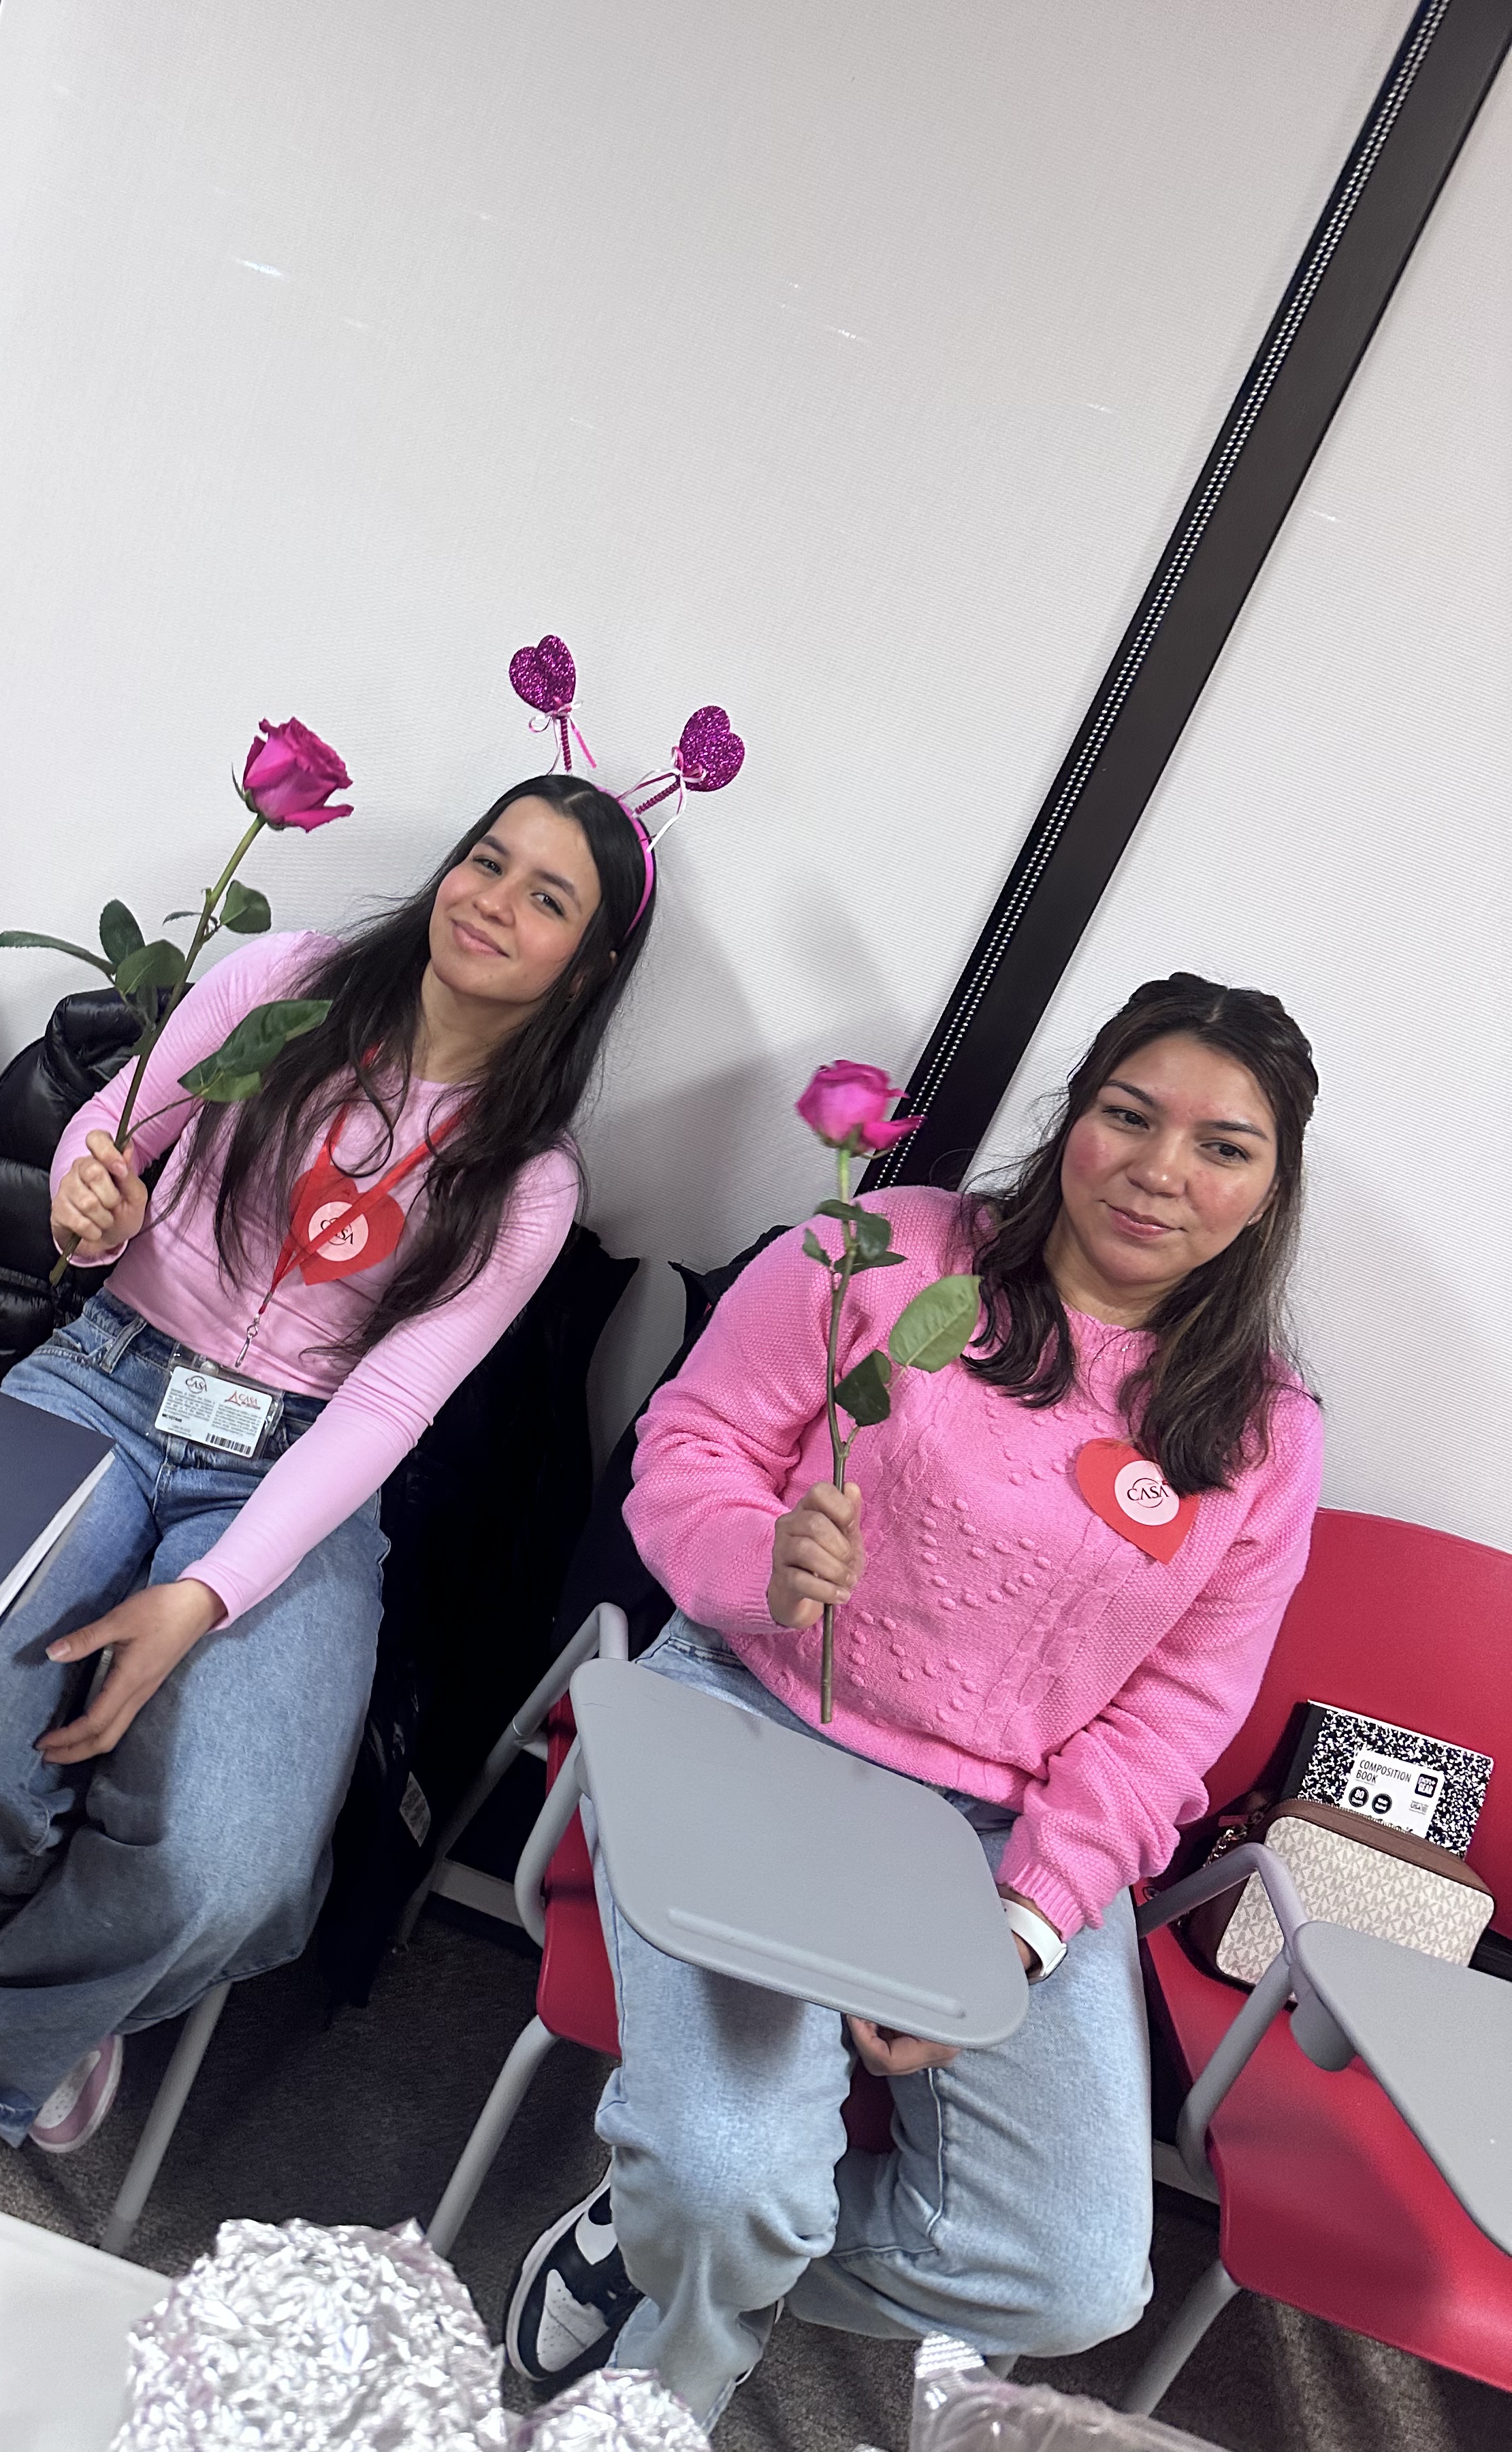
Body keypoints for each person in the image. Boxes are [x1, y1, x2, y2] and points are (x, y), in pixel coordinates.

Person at [507, 975, 1323, 2424]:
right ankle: (663, 2375)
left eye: (1222, 1147)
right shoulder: (884, 1255)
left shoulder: (1263, 1435)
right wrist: (762, 1558)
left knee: (1072, 2278)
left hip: (1001, 1829)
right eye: (1130, 1115)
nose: (1160, 1171)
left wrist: (1020, 1927)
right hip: (755, 1716)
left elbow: (1174, 1719)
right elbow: (691, 1448)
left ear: (1269, 1193)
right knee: (726, 2174)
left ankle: (650, 2249)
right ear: (1073, 1119)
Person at [0, 771, 658, 2152]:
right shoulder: (290, 985)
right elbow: (114, 1137)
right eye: (487, 861)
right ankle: (50, 2003)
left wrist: (207, 1594)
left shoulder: (529, 1178)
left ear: (586, 969)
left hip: (298, 1468)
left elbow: (387, 1408)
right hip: (106, 1377)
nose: (492, 903)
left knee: (233, 1871)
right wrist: (93, 1203)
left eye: (546, 898)